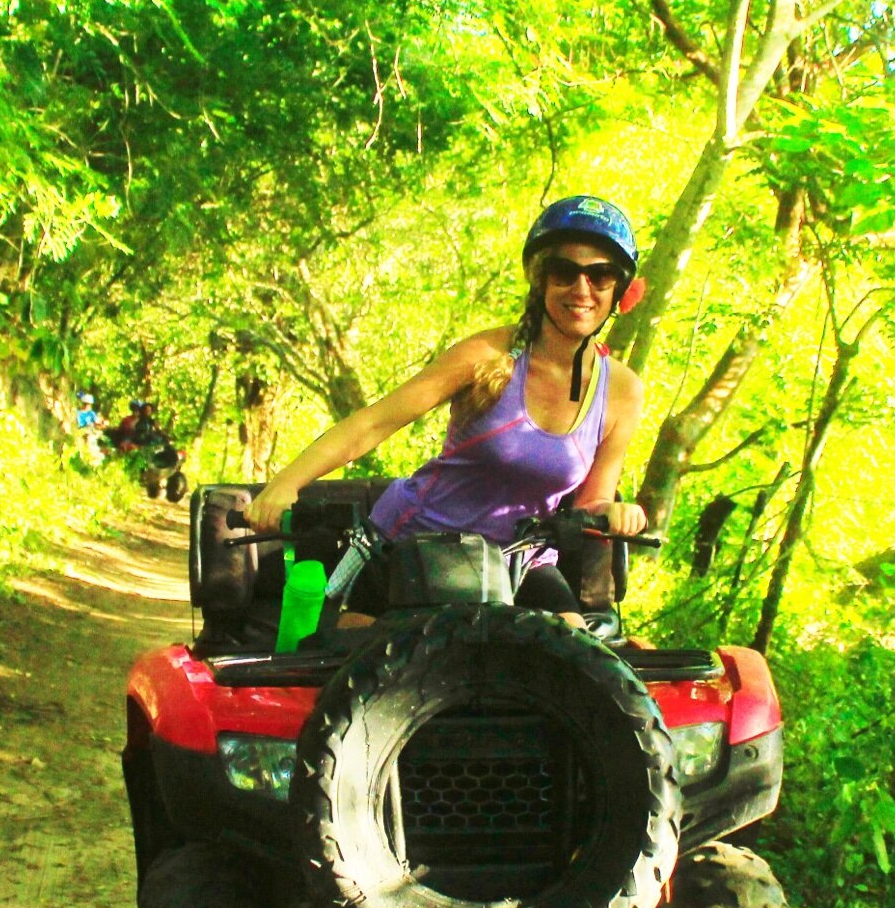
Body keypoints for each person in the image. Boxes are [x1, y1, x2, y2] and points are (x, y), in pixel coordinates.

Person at [244, 196, 649, 617]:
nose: (581, 289)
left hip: (519, 561)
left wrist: (613, 511)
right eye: (565, 272)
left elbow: (591, 501)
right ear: (541, 279)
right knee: (368, 659)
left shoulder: (622, 391)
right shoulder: (487, 354)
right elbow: (373, 424)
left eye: (600, 276)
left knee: (574, 655)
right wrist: (285, 484)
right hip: (416, 544)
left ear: (620, 290)